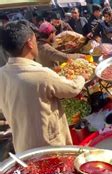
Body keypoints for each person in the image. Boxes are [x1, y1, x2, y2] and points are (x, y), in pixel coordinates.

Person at [0, 21, 87, 152]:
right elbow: (72, 89)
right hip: (48, 147)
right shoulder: (41, 74)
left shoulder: (2, 74)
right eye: (35, 40)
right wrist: (82, 77)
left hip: (22, 146)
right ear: (29, 43)